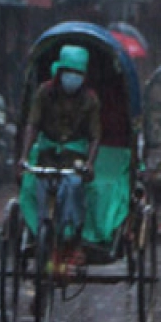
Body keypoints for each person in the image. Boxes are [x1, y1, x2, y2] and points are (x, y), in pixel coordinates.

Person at [17, 45, 101, 267]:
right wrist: (24, 157)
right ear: (60, 72)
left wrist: (90, 163)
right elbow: (32, 125)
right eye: (68, 72)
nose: (72, 78)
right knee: (38, 187)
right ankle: (40, 232)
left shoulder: (90, 100)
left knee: (73, 186)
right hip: (47, 153)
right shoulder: (44, 93)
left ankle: (72, 236)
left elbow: (94, 137)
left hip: (74, 156)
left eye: (78, 74)